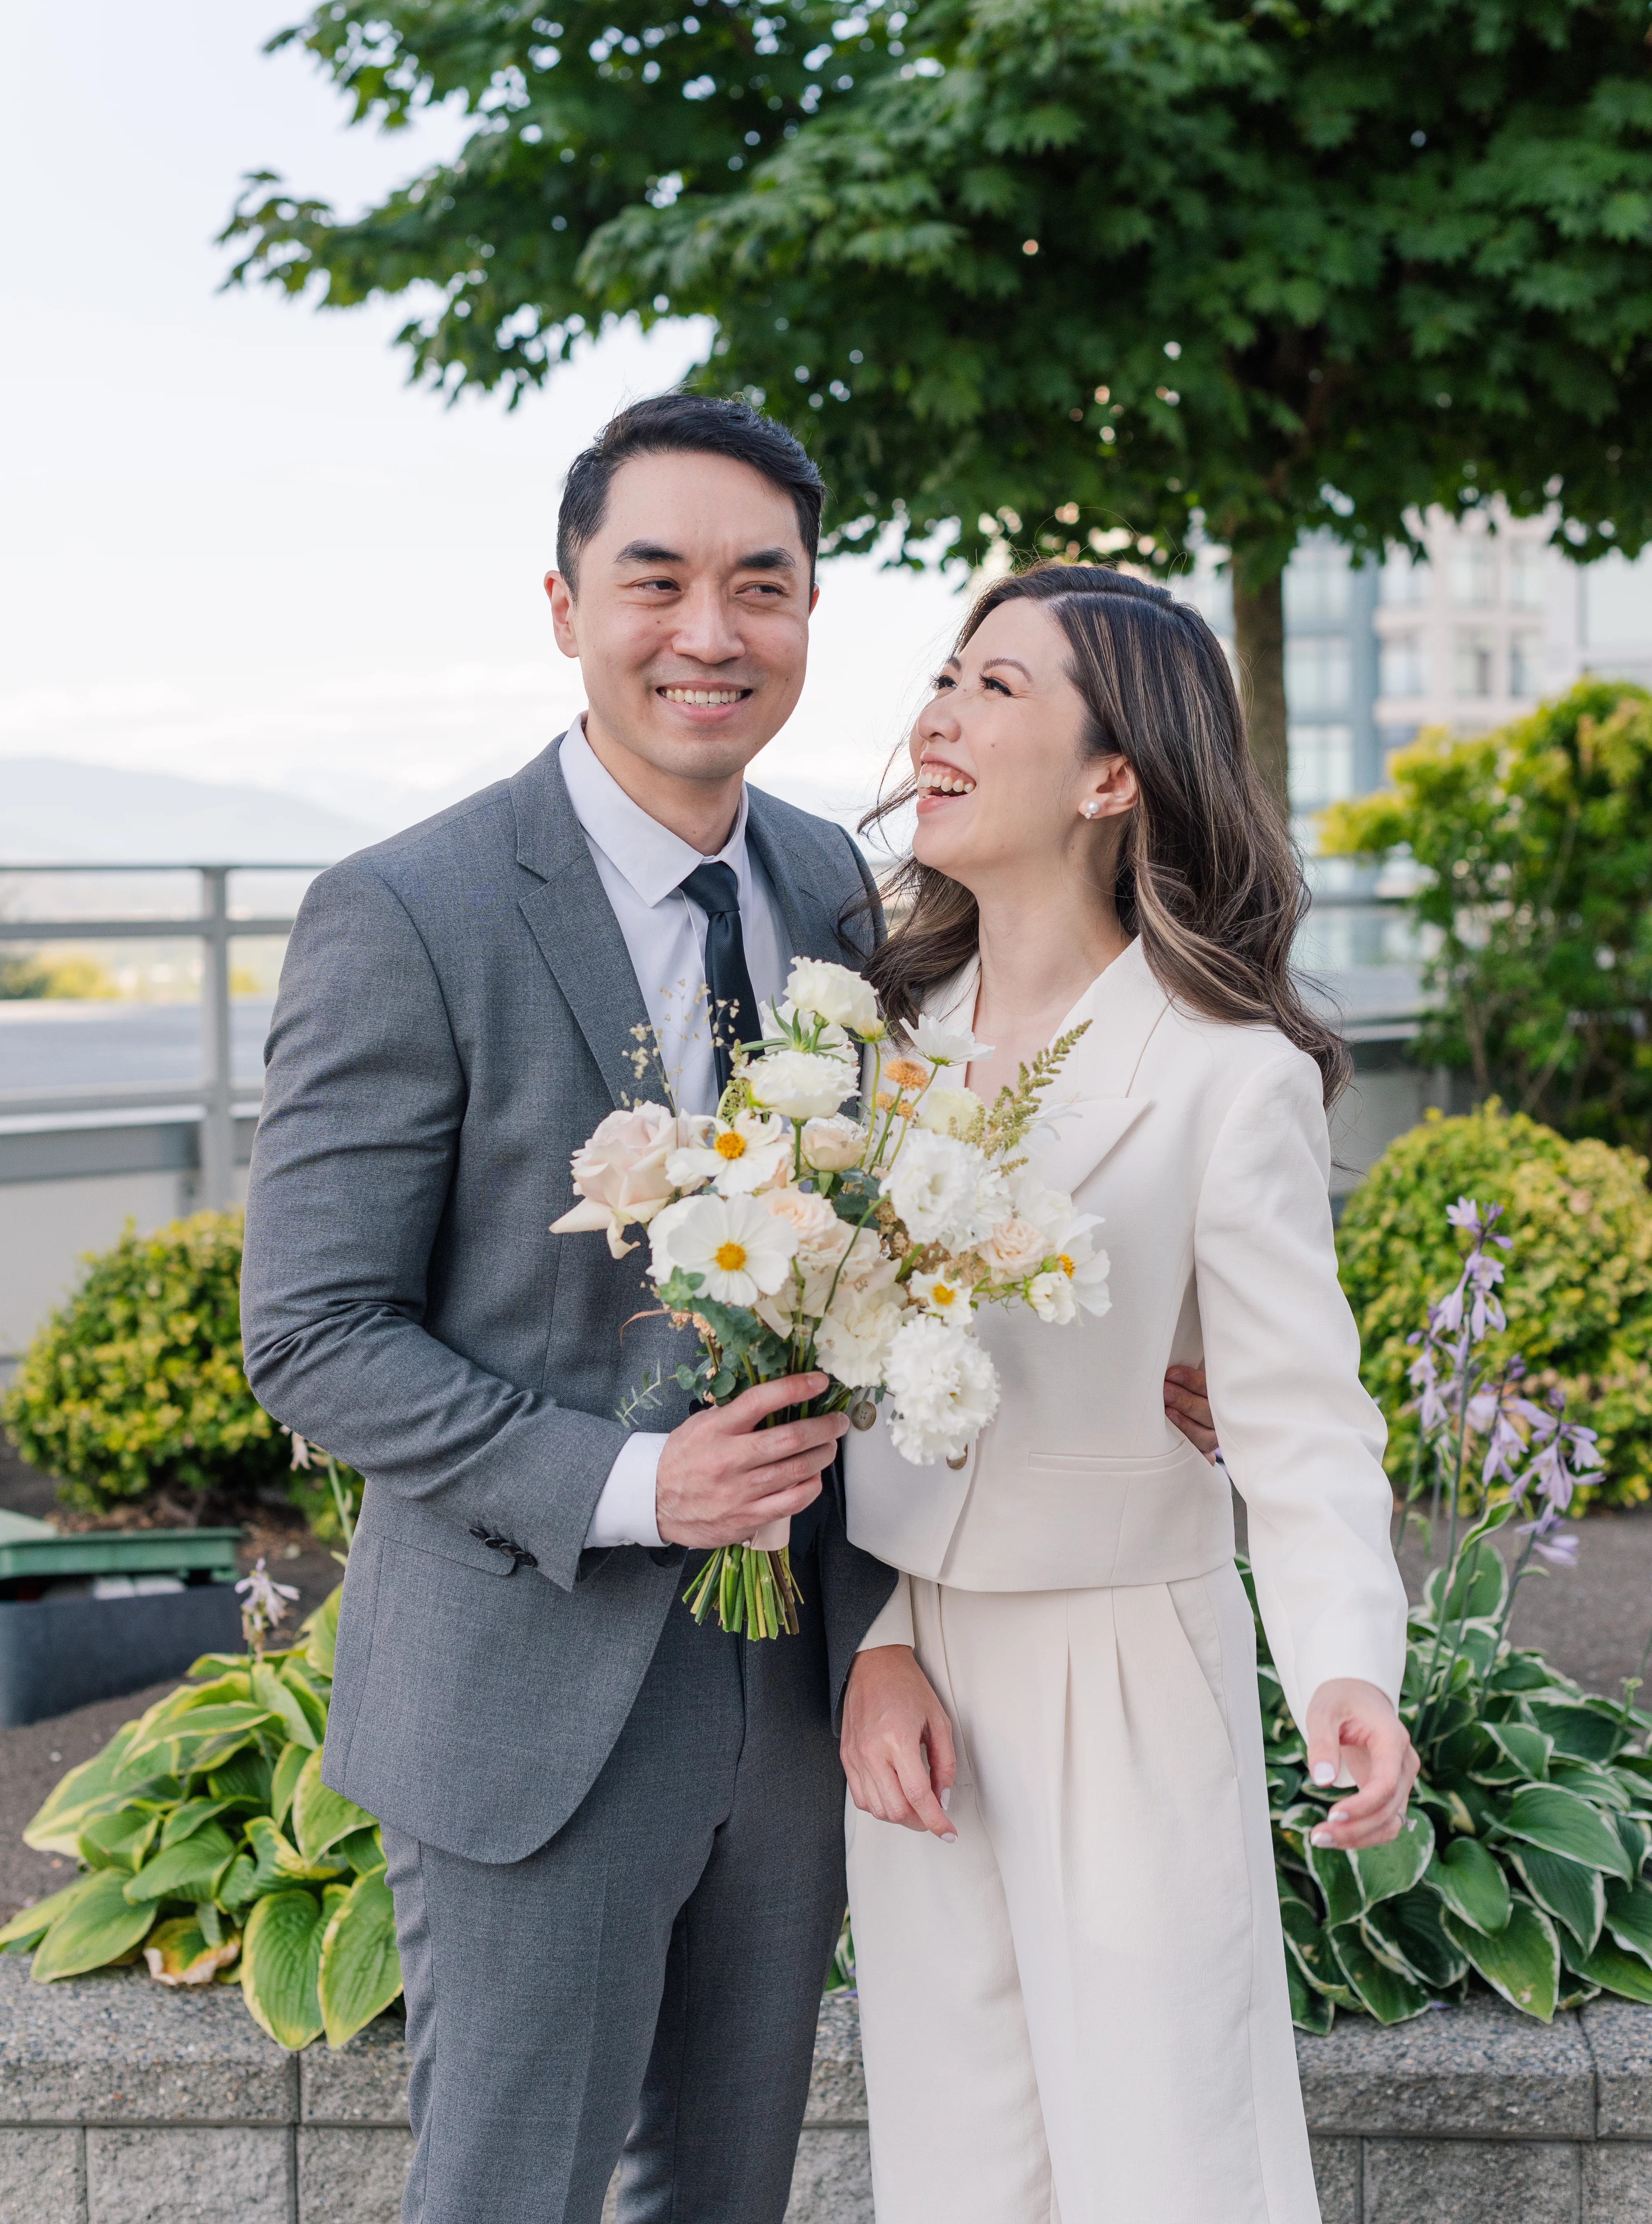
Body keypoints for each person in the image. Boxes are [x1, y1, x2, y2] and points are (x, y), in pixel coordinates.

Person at [239, 394, 898, 2224]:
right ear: (562, 604)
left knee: (725, 2195)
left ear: (806, 613)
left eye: (759, 585)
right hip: (532, 1687)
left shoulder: (830, 884)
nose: (711, 630)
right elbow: (309, 1328)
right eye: (656, 578)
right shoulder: (407, 907)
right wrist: (632, 1487)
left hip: (789, 1688)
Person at [838, 562, 1417, 2224]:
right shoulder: (866, 1046)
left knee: (1168, 2167)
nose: (937, 714)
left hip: (1120, 1667)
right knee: (957, 2174)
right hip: (911, 1694)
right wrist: (873, 1642)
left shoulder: (1226, 1075)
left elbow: (1298, 1418)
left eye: (997, 688)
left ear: (1113, 777)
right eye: (945, 675)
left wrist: (1340, 1668)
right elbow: (821, 1388)